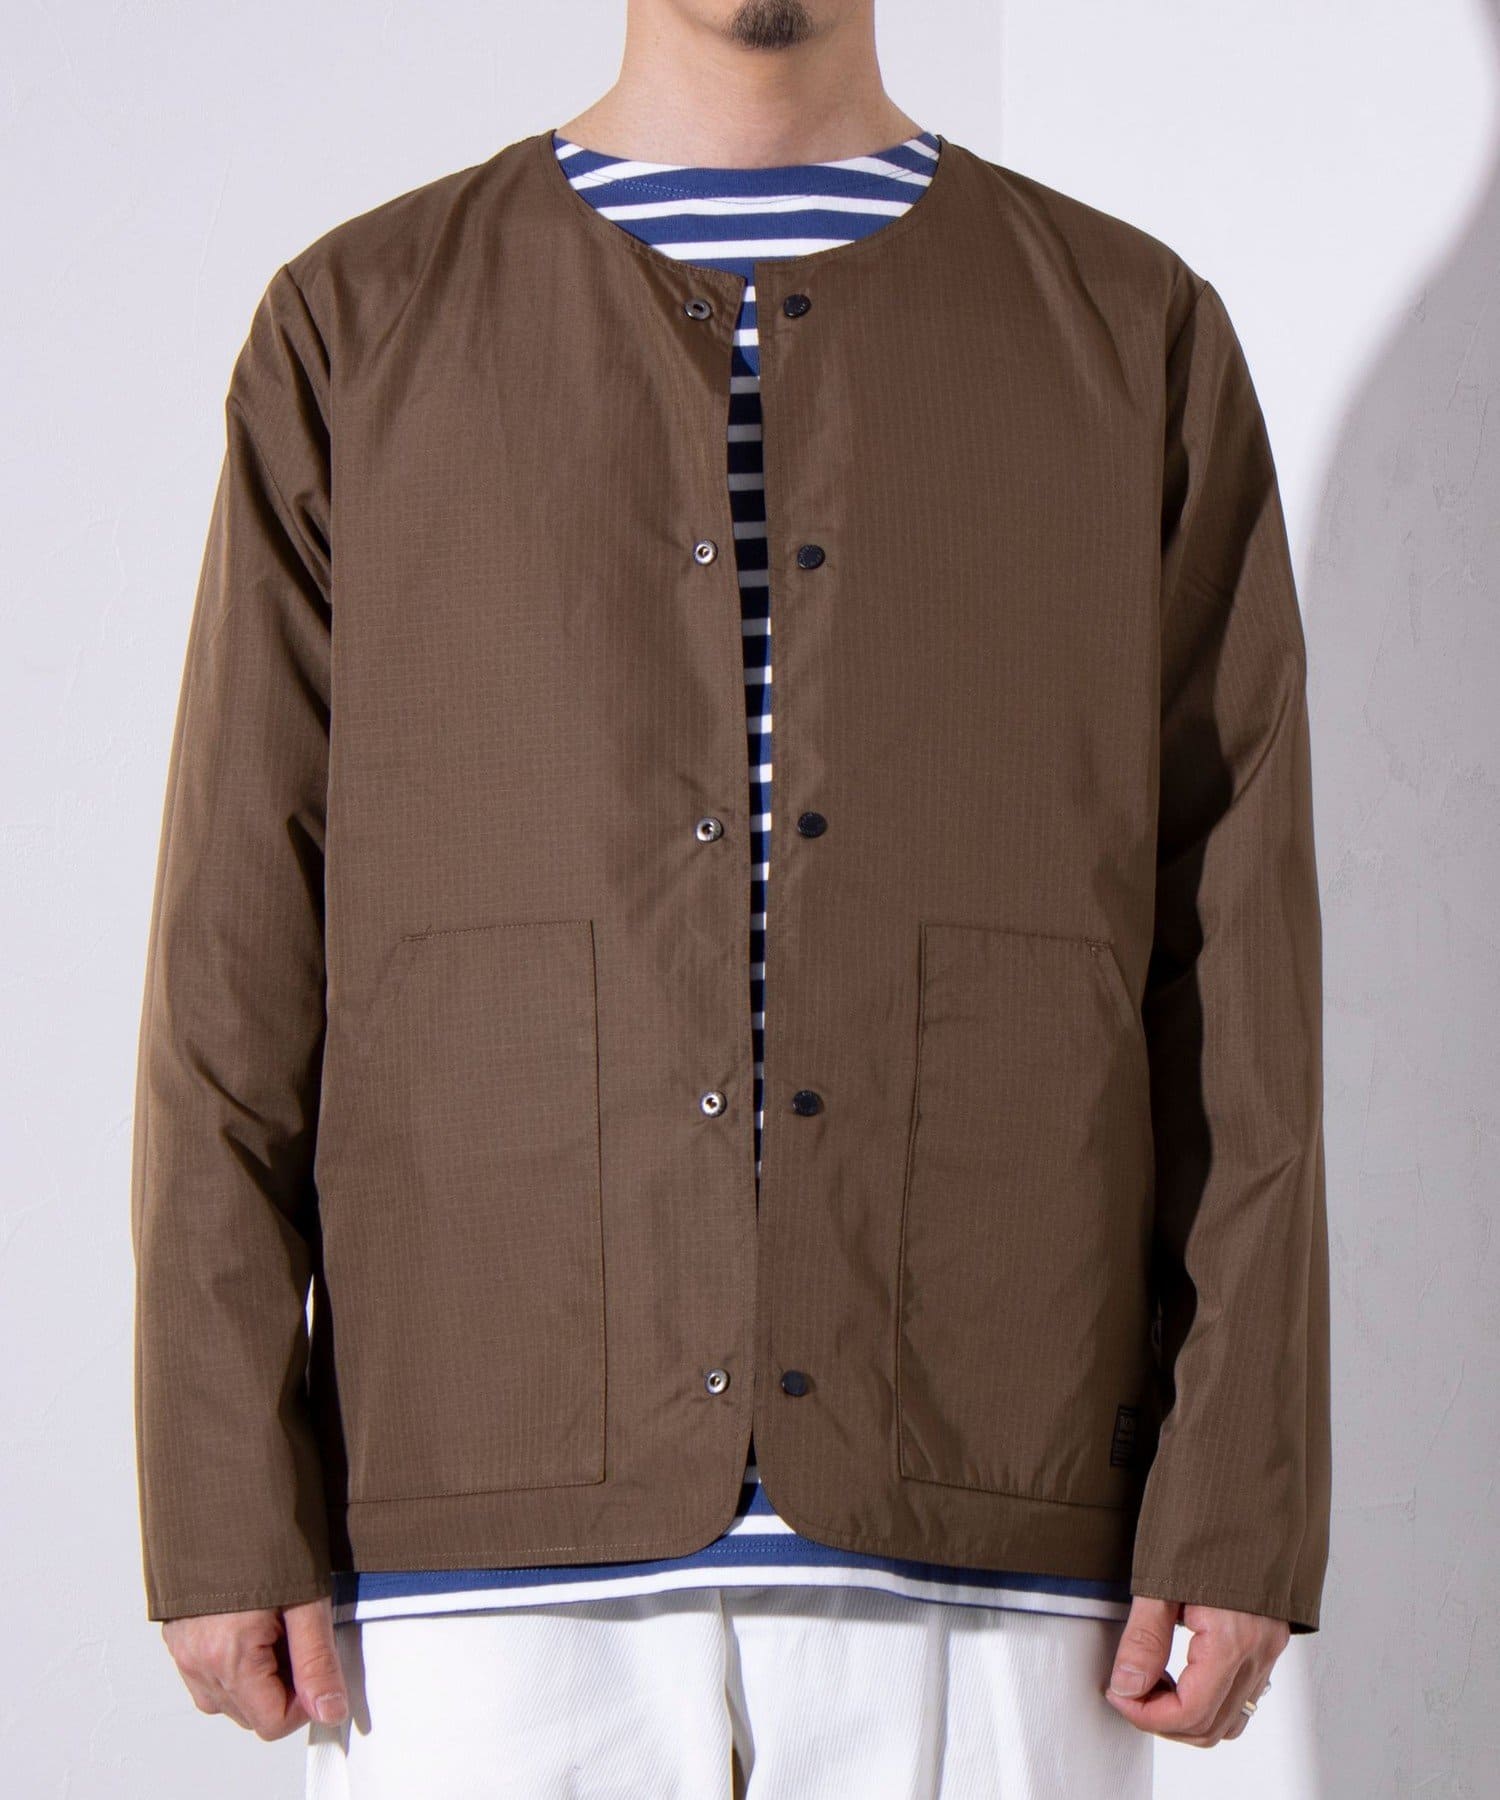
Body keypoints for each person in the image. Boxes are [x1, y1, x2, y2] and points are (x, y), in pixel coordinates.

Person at [130, 2, 1331, 1793]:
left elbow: (1240, 961)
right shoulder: (358, 326)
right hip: (480, 1524)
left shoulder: (1129, 329)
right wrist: (222, 1482)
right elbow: (234, 950)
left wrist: (1239, 1490)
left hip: (991, 1503)